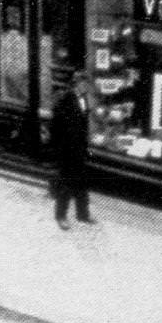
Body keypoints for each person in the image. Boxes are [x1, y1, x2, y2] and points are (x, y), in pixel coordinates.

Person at [48, 68, 93, 227]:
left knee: (81, 183)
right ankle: (61, 216)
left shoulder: (84, 99)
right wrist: (60, 148)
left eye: (87, 84)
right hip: (67, 150)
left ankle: (83, 214)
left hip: (79, 149)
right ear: (77, 84)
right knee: (66, 185)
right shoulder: (66, 99)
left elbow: (83, 124)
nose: (86, 87)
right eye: (85, 84)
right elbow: (56, 126)